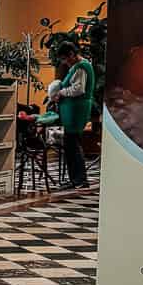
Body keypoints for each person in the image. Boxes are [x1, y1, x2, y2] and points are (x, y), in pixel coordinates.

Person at [47, 41, 94, 188]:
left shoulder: (82, 67)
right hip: (71, 111)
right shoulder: (77, 66)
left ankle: (80, 180)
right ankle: (75, 179)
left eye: (65, 59)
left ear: (72, 54)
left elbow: (78, 89)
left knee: (73, 145)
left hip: (76, 111)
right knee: (70, 145)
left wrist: (60, 92)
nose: (64, 62)